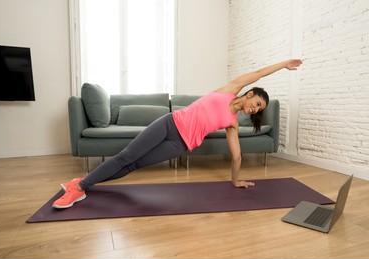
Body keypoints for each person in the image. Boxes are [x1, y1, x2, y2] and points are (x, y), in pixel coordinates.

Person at [53, 59, 303, 209]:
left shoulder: (232, 123)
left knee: (132, 166)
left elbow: (236, 156)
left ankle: (83, 184)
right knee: (125, 156)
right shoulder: (229, 89)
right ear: (249, 94)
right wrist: (283, 65)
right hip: (169, 124)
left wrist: (236, 181)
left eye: (259, 110)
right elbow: (258, 73)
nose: (255, 109)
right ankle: (81, 187)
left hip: (178, 145)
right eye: (257, 103)